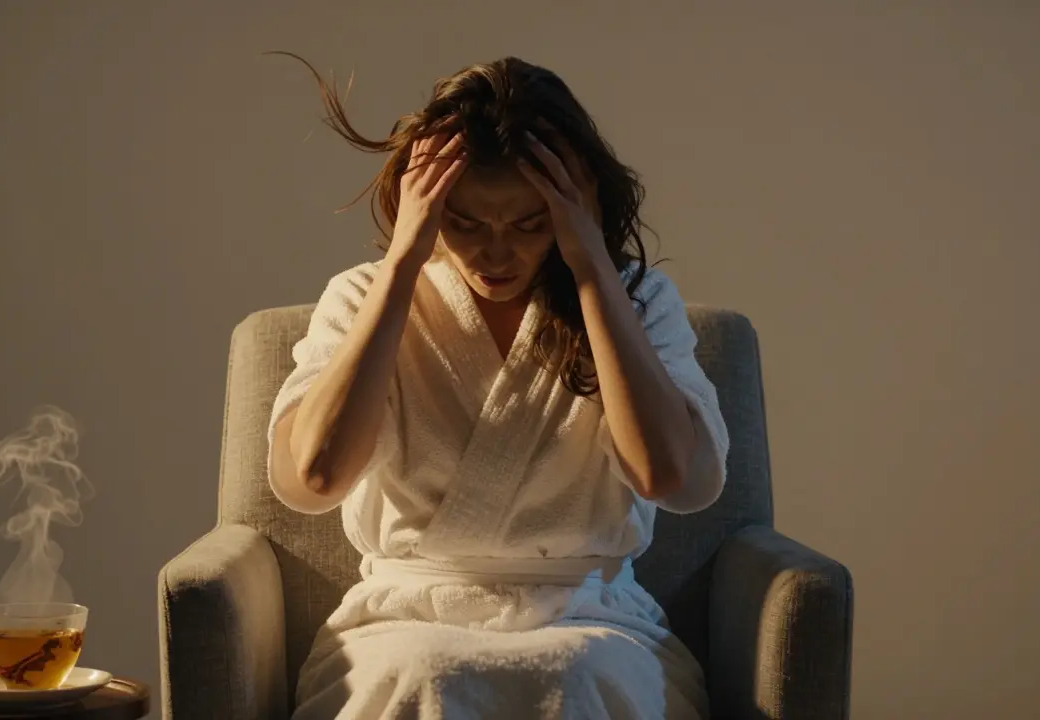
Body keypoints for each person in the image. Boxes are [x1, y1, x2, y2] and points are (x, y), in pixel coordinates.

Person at [264, 51, 730, 719]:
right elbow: (315, 476)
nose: (495, 253)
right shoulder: (364, 296)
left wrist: (591, 264)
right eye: (466, 223)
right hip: (405, 618)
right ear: (425, 208)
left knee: (573, 676)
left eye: (529, 224)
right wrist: (403, 261)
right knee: (429, 674)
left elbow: (665, 475)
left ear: (573, 207)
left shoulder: (637, 299)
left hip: (590, 617)